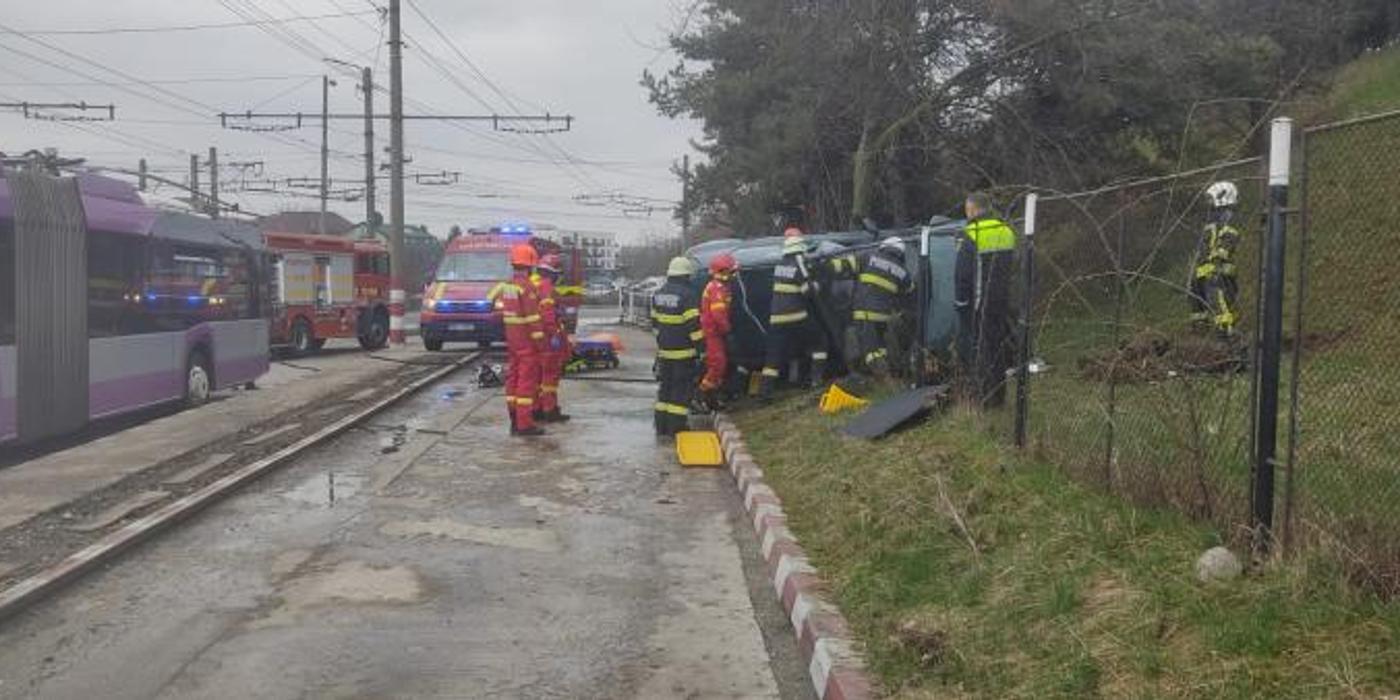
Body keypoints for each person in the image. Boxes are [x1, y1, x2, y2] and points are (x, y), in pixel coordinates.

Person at [955, 192, 1017, 407]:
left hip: (979, 303)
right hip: (1002, 301)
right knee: (997, 347)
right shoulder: (1006, 230)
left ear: (972, 209)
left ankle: (984, 399)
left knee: (980, 349)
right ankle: (999, 396)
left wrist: (961, 303)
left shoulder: (971, 234)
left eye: (966, 210)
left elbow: (962, 276)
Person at [759, 227, 829, 396]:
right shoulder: (799, 262)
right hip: (797, 315)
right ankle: (816, 381)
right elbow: (808, 292)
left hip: (776, 319)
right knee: (819, 341)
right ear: (800, 248)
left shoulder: (779, 265)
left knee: (773, 357)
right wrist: (820, 282)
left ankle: (765, 392)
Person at [489, 244, 548, 437]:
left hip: (512, 340)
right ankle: (524, 425)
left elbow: (496, 308)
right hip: (527, 342)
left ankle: (514, 420)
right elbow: (533, 319)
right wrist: (541, 344)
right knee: (526, 382)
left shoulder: (507, 286)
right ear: (530, 266)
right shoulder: (527, 287)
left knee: (512, 379)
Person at [651, 257, 703, 436]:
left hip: (665, 352)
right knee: (680, 391)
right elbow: (694, 327)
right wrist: (702, 350)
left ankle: (661, 426)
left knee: (665, 389)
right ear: (686, 275)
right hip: (684, 353)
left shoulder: (658, 293)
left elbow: (655, 323)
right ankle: (676, 427)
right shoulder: (688, 295)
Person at [850, 237, 914, 377]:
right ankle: (890, 371)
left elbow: (844, 265)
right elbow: (910, 294)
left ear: (884, 247)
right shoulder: (903, 271)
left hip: (864, 312)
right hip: (883, 316)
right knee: (880, 346)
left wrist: (823, 266)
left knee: (870, 350)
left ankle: (884, 376)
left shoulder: (869, 256)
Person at [1190, 181, 1242, 341]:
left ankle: (1228, 335)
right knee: (1197, 301)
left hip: (1218, 272)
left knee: (1220, 303)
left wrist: (1218, 256)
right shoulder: (1212, 221)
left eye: (1211, 199)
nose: (1209, 204)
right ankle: (1200, 333)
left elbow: (1228, 240)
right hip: (1203, 272)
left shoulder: (1228, 219)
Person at [532, 253, 571, 423]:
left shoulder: (534, 284)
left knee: (539, 376)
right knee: (550, 376)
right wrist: (555, 333)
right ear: (553, 273)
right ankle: (549, 410)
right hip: (548, 338)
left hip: (536, 336)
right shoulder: (546, 287)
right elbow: (548, 314)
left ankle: (538, 408)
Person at [698, 252, 738, 409]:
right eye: (731, 271)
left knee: (719, 365)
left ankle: (711, 398)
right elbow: (718, 314)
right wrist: (727, 331)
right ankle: (701, 396)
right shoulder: (717, 288)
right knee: (717, 365)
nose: (734, 274)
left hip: (714, 332)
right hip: (712, 333)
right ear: (723, 271)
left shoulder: (718, 287)